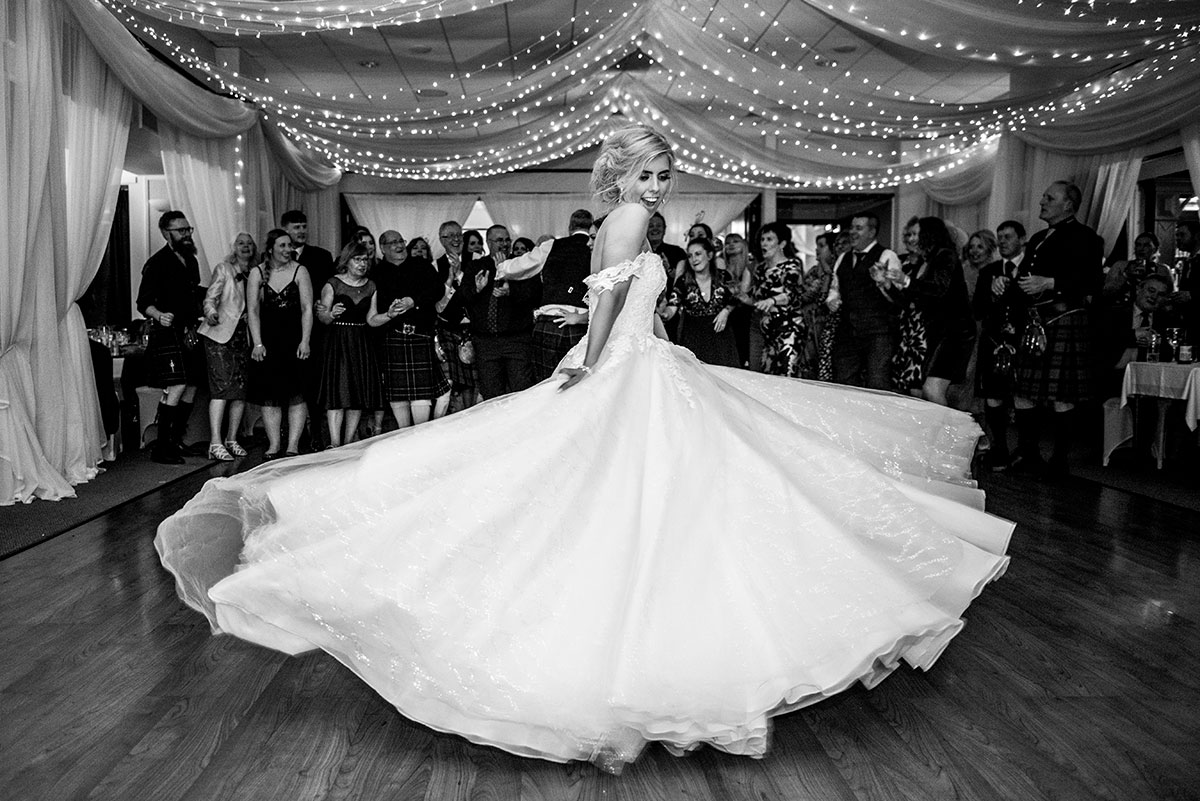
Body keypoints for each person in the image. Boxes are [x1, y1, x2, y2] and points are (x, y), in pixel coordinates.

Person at [156, 125, 1011, 774]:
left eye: (665, 173)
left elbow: (620, 297)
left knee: (595, 495)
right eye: (649, 171)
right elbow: (612, 303)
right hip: (626, 371)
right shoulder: (633, 218)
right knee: (668, 495)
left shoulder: (624, 220)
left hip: (644, 362)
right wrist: (594, 358)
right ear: (623, 175)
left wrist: (595, 330)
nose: (658, 183)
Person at [1010, 181, 1104, 476]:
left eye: (1049, 198)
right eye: (1043, 195)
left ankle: (1060, 461)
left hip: (1064, 318)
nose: (1042, 201)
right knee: (1023, 392)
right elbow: (1025, 278)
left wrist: (1050, 283)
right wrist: (1008, 285)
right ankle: (1028, 453)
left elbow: (1092, 283)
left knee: (1062, 395)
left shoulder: (1086, 237)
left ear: (1068, 205)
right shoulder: (1038, 237)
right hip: (1035, 322)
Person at [137, 210, 206, 464]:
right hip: (167, 332)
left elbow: (192, 292)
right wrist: (159, 314)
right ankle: (162, 448)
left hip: (190, 331)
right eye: (182, 231)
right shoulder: (157, 263)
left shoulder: (191, 260)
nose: (187, 235)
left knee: (192, 385)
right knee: (176, 385)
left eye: (189, 230)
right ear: (167, 233)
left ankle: (176, 440)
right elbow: (142, 301)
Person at [495, 210, 595, 382]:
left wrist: (502, 267)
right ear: (591, 226)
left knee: (546, 382)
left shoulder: (552, 245)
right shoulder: (596, 247)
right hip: (581, 322)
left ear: (570, 227)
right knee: (579, 384)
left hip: (549, 322)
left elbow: (523, 265)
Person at [886, 217, 976, 406]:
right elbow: (910, 301)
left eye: (917, 234)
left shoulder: (946, 256)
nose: (912, 239)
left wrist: (906, 281)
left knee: (932, 389)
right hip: (935, 333)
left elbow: (938, 289)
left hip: (954, 332)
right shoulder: (925, 261)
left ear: (929, 234)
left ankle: (949, 433)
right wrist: (887, 285)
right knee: (923, 390)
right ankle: (940, 432)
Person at [370, 231, 451, 428]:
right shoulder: (376, 273)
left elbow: (438, 290)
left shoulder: (421, 265)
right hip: (392, 336)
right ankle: (402, 434)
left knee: (421, 393)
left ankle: (420, 435)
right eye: (393, 243)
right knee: (398, 394)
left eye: (401, 241)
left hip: (420, 333)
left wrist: (413, 301)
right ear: (383, 248)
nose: (399, 246)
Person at [247, 229, 314, 458]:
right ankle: (274, 444)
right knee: (270, 395)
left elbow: (307, 309)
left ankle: (292, 444)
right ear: (271, 249)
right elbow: (253, 311)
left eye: (289, 246)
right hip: (268, 341)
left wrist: (305, 340)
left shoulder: (300, 270)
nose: (288, 250)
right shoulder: (257, 273)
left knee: (297, 393)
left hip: (294, 340)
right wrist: (257, 343)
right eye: (283, 246)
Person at [459, 224, 539, 398]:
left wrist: (511, 290)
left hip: (516, 340)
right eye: (499, 240)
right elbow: (463, 296)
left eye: (507, 240)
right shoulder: (476, 266)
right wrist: (477, 289)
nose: (504, 244)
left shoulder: (520, 264)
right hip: (486, 342)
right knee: (491, 396)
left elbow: (534, 295)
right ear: (488, 242)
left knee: (522, 393)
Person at [973, 221, 1029, 470]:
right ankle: (1000, 449)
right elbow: (976, 310)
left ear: (1022, 239)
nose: (1003, 241)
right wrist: (993, 297)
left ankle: (1027, 451)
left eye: (1008, 236)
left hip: (1023, 341)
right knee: (994, 397)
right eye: (1000, 237)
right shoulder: (989, 271)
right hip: (995, 342)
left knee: (1023, 396)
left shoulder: (1031, 268)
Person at [317, 243, 382, 447]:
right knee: (337, 391)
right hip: (338, 340)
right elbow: (322, 317)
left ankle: (348, 443)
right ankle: (334, 443)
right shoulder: (333, 284)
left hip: (361, 341)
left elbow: (371, 319)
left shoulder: (371, 286)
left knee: (357, 393)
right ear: (347, 261)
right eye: (357, 259)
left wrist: (389, 315)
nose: (362, 264)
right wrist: (330, 314)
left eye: (365, 259)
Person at [198, 232, 254, 461]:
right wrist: (210, 314)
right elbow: (210, 298)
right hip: (220, 334)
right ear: (234, 247)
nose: (246, 247)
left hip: (244, 337)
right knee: (221, 389)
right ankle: (215, 442)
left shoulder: (258, 272)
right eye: (241, 243)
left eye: (249, 244)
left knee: (240, 391)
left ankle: (232, 438)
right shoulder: (224, 269)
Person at [281, 210, 334, 451]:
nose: (301, 231)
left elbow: (328, 287)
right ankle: (292, 435)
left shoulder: (321, 256)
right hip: (283, 329)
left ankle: (316, 434)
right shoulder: (274, 258)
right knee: (287, 384)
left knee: (312, 382)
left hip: (314, 329)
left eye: (303, 226)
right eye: (296, 227)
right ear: (285, 229)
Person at [831, 214, 902, 390]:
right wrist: (831, 300)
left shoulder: (887, 256)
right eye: (852, 227)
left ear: (871, 232)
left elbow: (898, 297)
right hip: (847, 330)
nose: (852, 232)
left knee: (877, 383)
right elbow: (835, 288)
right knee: (844, 382)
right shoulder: (843, 258)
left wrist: (882, 283)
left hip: (878, 331)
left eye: (858, 228)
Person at [663, 237, 740, 367]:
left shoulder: (723, 276)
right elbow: (672, 306)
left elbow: (736, 299)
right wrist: (662, 315)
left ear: (709, 255)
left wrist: (726, 312)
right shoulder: (683, 282)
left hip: (721, 337)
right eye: (690, 256)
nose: (694, 259)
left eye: (698, 254)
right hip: (694, 337)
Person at [752, 221, 804, 376]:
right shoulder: (760, 269)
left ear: (781, 243)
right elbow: (756, 299)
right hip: (768, 333)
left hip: (789, 330)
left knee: (788, 376)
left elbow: (792, 294)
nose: (764, 243)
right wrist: (740, 296)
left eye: (769, 239)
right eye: (762, 239)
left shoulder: (792, 265)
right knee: (768, 376)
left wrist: (772, 301)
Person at [1103, 232, 1172, 305]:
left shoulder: (1163, 270)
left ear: (1155, 249)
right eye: (1138, 245)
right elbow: (1106, 292)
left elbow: (1168, 296)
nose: (1141, 249)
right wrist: (1126, 275)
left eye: (1146, 245)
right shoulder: (1120, 265)